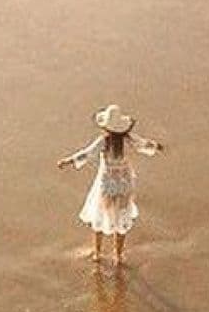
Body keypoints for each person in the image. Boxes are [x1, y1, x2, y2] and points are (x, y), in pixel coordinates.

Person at [57, 104, 163, 267]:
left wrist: (68, 161)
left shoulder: (104, 141)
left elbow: (87, 153)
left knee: (99, 215)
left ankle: (97, 252)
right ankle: (118, 255)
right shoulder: (129, 139)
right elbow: (144, 145)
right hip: (124, 182)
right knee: (122, 216)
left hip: (107, 183)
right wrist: (156, 146)